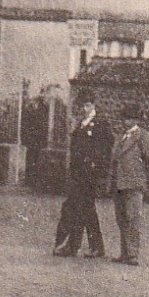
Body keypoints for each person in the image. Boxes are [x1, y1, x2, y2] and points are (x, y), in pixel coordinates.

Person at [53, 98, 113, 258]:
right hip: (78, 173)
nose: (85, 108)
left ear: (94, 105)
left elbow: (106, 147)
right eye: (83, 105)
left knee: (82, 207)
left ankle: (77, 246)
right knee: (83, 208)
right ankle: (90, 247)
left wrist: (97, 166)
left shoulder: (100, 124)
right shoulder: (81, 124)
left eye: (87, 105)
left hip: (90, 174)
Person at [107, 109, 149, 267]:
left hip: (134, 183)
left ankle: (132, 254)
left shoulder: (143, 136)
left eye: (129, 118)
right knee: (121, 219)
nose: (125, 122)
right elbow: (114, 161)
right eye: (124, 118)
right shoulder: (120, 137)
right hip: (119, 183)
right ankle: (124, 253)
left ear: (136, 119)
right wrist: (111, 181)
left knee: (133, 218)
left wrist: (143, 176)